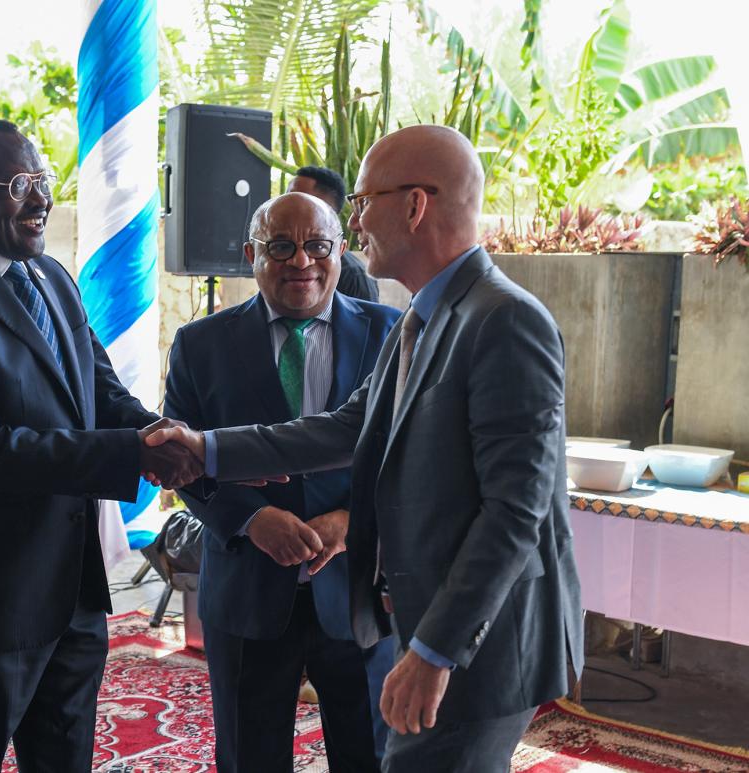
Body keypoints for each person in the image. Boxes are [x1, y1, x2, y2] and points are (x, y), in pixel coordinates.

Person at [148, 125, 583, 773]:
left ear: (414, 205)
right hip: (429, 629)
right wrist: (202, 449)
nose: (354, 220)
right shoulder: (424, 317)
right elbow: (344, 429)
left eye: (360, 201)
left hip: (481, 644)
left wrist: (433, 651)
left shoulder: (504, 320)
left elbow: (513, 515)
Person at [0, 117, 198, 772]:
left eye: (43, 181)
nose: (41, 198)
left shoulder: (49, 274)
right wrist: (133, 454)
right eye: (18, 184)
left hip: (73, 590)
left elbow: (100, 393)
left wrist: (166, 438)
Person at [164, 192, 400, 772]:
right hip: (247, 587)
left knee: (371, 755)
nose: (302, 261)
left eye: (319, 245)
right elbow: (183, 464)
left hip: (356, 592)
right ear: (251, 254)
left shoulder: (393, 334)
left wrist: (352, 521)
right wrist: (251, 518)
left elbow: (407, 457)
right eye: (281, 246)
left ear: (342, 251)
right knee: (249, 756)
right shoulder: (200, 345)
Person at [287, 166, 380, 303]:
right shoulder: (280, 261)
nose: (283, 205)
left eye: (293, 199)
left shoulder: (353, 276)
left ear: (326, 207)